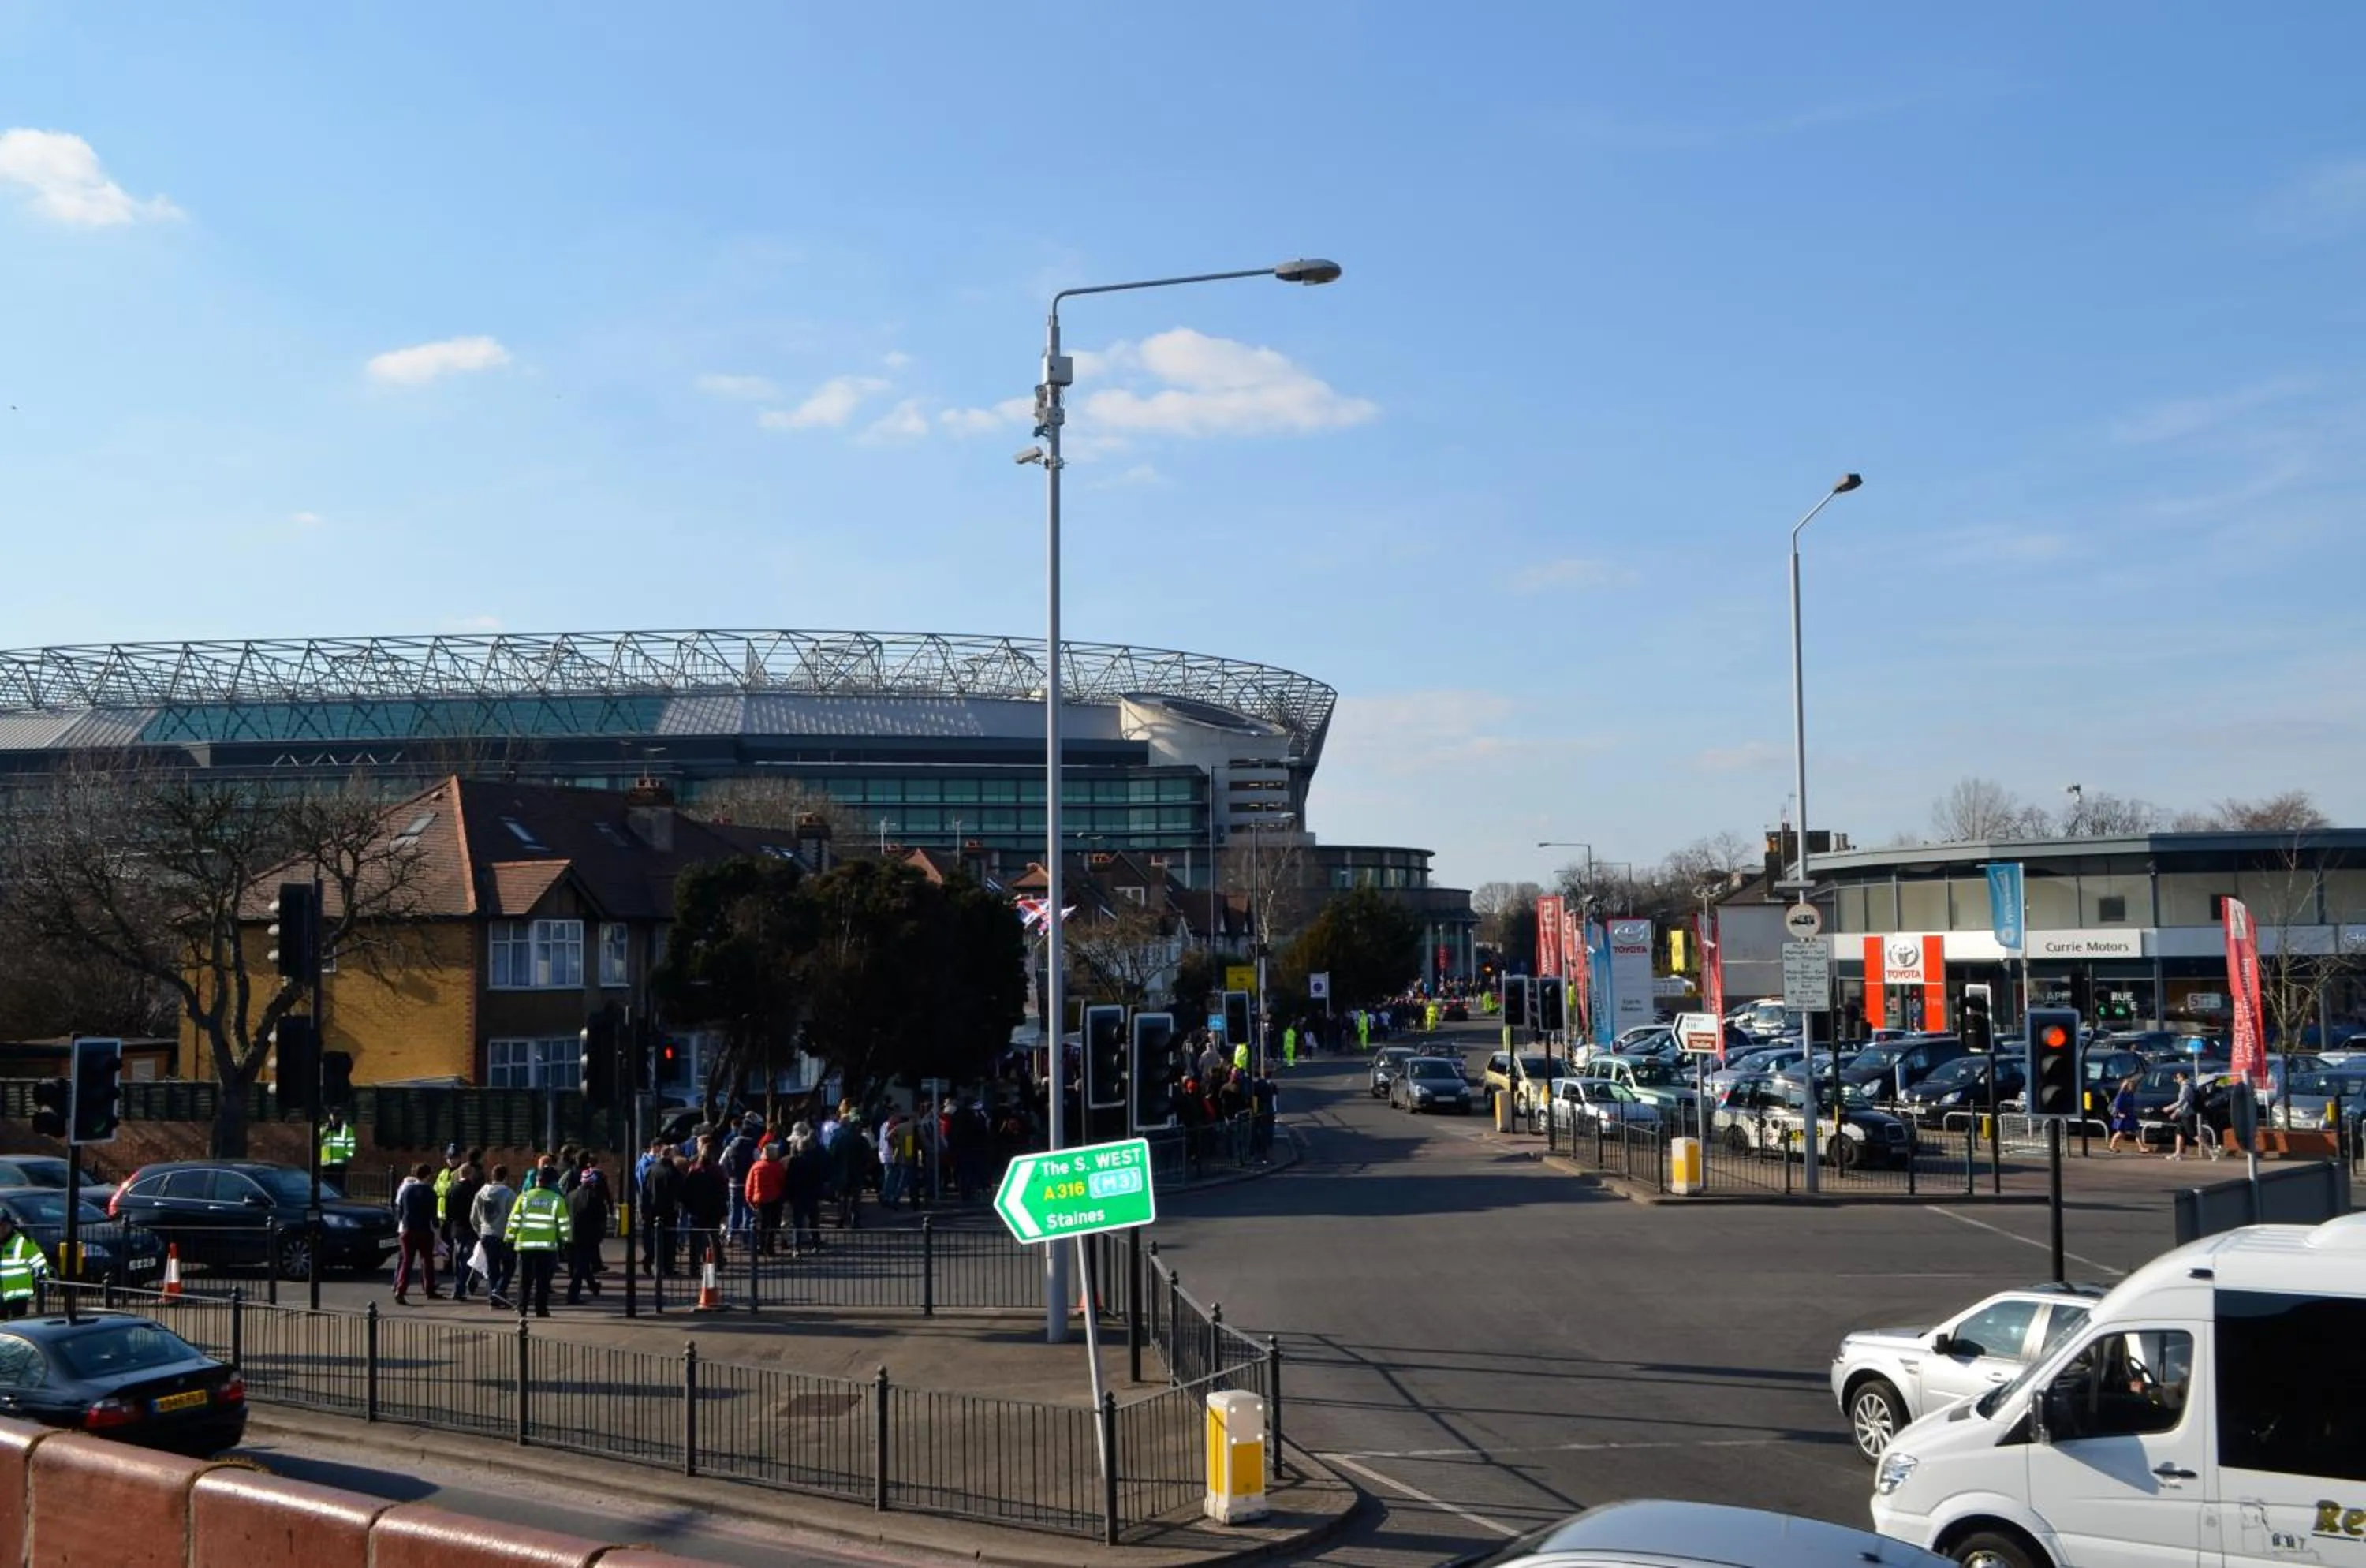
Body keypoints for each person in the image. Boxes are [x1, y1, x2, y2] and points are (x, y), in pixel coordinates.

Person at [505, 1167, 572, 1318]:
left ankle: (522, 1308)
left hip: (525, 1246)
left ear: (538, 1181)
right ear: (551, 1183)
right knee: (543, 1280)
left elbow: (514, 1220)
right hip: (547, 1247)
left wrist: (509, 1239)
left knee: (524, 1280)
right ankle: (541, 1310)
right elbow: (563, 1223)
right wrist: (567, 1241)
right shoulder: (556, 1200)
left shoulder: (524, 1197)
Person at [469, 1163, 518, 1310]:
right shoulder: (509, 1194)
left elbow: (473, 1217)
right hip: (504, 1236)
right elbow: (515, 1217)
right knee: (510, 1266)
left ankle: (494, 1296)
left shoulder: (481, 1192)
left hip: (486, 1235)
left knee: (492, 1267)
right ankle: (499, 1290)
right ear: (506, 1177)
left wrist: (480, 1232)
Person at [393, 1162, 441, 1304]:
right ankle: (429, 1289)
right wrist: (437, 1230)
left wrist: (404, 1222)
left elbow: (400, 1209)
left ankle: (400, 1290)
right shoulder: (430, 1192)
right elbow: (433, 1214)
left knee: (407, 1261)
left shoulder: (407, 1190)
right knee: (427, 1260)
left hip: (408, 1229)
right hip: (424, 1230)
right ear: (427, 1176)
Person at [565, 1159, 610, 1304]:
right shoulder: (595, 1198)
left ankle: (593, 1285)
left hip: (570, 1234)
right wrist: (599, 1235)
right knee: (581, 1266)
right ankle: (572, 1295)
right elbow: (601, 1218)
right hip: (587, 1237)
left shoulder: (570, 1196)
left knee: (581, 1264)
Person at [446, 1157, 485, 1301]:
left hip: (457, 1228)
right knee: (470, 1259)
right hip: (471, 1228)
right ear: (470, 1174)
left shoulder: (452, 1190)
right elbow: (479, 1211)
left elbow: (448, 1212)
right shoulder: (475, 1190)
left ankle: (459, 1286)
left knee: (458, 1258)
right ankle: (464, 1286)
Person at [786, 1123, 827, 1255]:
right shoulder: (815, 1161)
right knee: (814, 1222)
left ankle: (796, 1248)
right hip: (812, 1195)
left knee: (798, 1223)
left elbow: (789, 1180)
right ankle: (816, 1244)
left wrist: (789, 1195)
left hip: (798, 1196)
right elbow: (819, 1178)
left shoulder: (794, 1162)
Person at [641, 1146, 682, 1277]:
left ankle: (649, 1260)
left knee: (653, 1238)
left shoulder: (650, 1169)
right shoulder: (672, 1171)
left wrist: (644, 1208)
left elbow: (644, 1190)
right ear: (670, 1155)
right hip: (669, 1210)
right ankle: (667, 1267)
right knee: (669, 1240)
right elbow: (679, 1191)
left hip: (651, 1209)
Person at [0, 1211, 47, 1319]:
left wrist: (42, 1283)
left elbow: (40, 1263)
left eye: (2, 1226)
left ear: (8, 1226)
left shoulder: (22, 1242)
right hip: (1, 1295)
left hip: (18, 1296)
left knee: (18, 1325)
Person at [745, 1137, 786, 1255]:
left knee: (762, 1224)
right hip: (775, 1198)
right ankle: (770, 1247)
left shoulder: (756, 1166)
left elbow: (750, 1183)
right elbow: (782, 1182)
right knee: (773, 1224)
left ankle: (760, 1246)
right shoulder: (778, 1167)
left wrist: (749, 1198)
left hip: (760, 1199)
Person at [319, 1111, 357, 1183]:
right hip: (327, 1162)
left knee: (339, 1185)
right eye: (332, 1117)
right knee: (328, 1186)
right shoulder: (324, 1127)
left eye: (336, 1117)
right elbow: (317, 1138)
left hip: (340, 1162)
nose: (334, 1119)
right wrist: (326, 1129)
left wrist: (347, 1156)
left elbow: (351, 1144)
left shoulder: (347, 1129)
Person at [2107, 1073, 2141, 1153]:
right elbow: (2116, 1105)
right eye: (2131, 1085)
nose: (2133, 1087)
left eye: (2133, 1085)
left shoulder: (2131, 1094)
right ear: (2127, 1086)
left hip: (2130, 1116)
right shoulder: (2121, 1095)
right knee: (2121, 1133)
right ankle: (2112, 1146)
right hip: (2123, 1117)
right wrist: (2119, 1114)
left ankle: (2141, 1147)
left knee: (2137, 1131)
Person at [2166, 1071, 2197, 1160]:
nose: (2176, 1080)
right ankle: (2177, 1153)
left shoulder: (2186, 1087)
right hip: (2183, 1113)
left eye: (2177, 1077)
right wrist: (2176, 1112)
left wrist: (2169, 1108)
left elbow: (2182, 1102)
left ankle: (2211, 1150)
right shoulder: (2186, 1086)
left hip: (2187, 1114)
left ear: (2182, 1077)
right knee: (2179, 1132)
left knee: (2193, 1134)